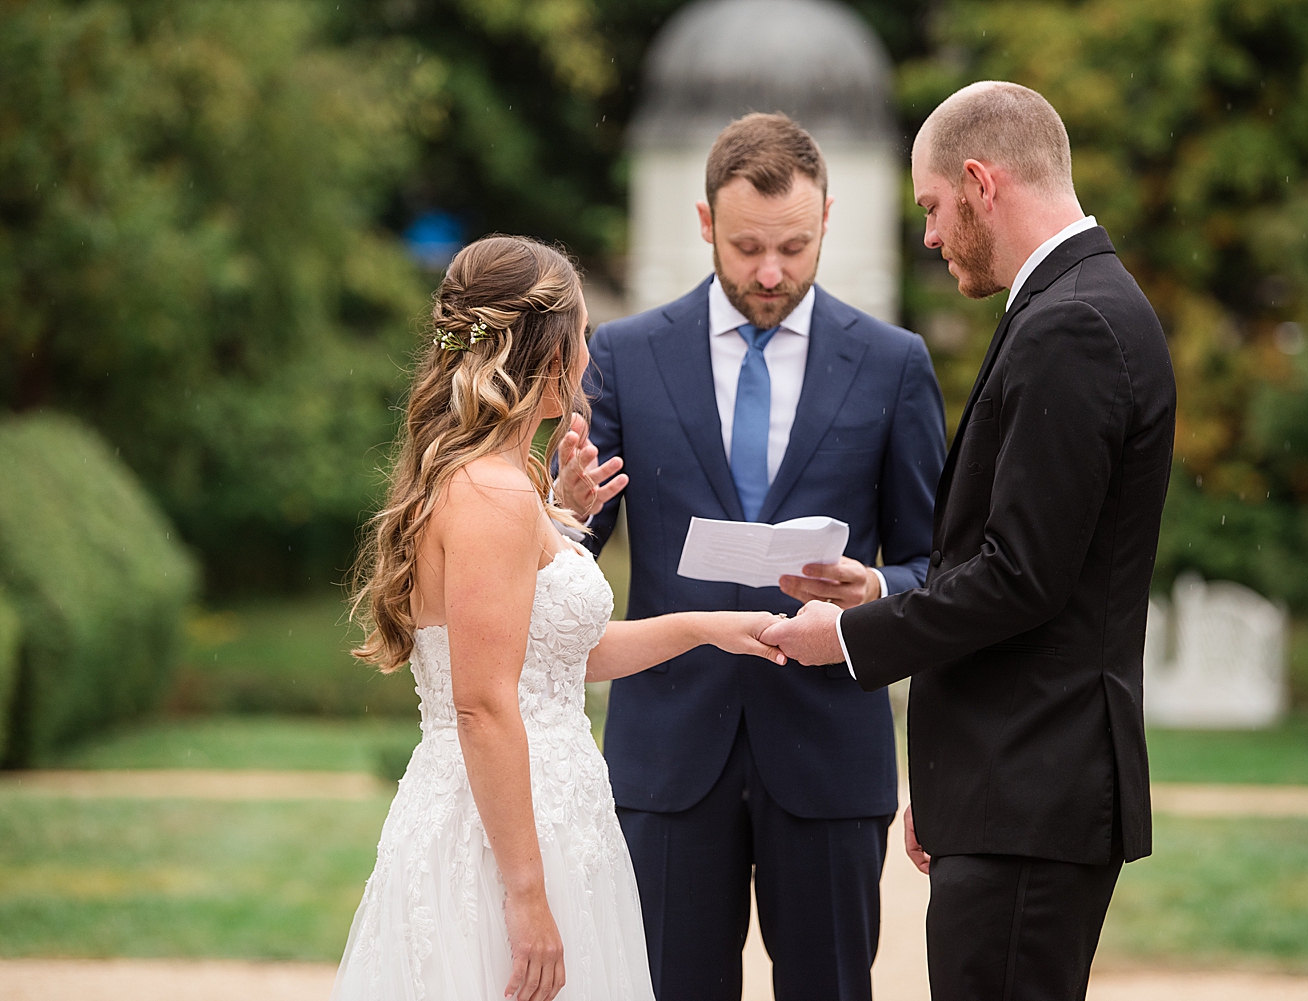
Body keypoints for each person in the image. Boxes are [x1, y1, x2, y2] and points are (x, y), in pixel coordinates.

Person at [763, 82, 1178, 1000]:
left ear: (981, 182)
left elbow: (1022, 577)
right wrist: (880, 597)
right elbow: (1029, 559)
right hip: (1013, 789)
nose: (930, 235)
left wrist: (843, 640)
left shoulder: (1073, 323)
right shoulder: (1077, 305)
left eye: (934, 207)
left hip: (1034, 795)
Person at [552, 113, 947, 1001]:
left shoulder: (895, 366)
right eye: (746, 247)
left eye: (794, 247)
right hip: (667, 755)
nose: (771, 273)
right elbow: (563, 559)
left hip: (831, 753)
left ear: (828, 221)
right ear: (704, 224)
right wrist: (562, 510)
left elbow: (940, 567)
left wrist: (875, 588)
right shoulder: (621, 355)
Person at [333, 235, 787, 1001]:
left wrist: (708, 625)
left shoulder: (509, 483)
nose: (589, 353)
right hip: (500, 834)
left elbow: (553, 657)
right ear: (547, 349)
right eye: (580, 333)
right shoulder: (493, 494)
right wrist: (525, 892)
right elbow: (482, 704)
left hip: (550, 815)